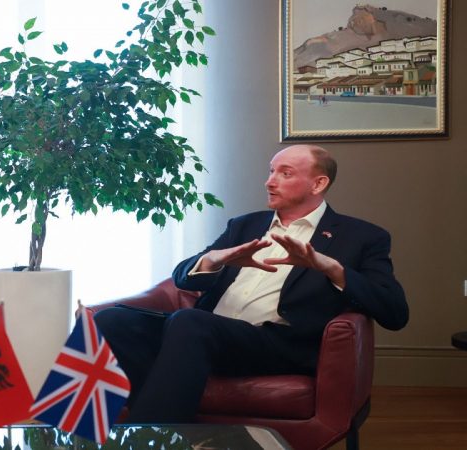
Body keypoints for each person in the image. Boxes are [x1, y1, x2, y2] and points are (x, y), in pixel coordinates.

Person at [95, 144, 408, 423]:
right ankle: (153, 426)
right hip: (201, 334)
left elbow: (395, 312)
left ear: (319, 183)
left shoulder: (361, 237)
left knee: (190, 322)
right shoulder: (245, 225)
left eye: (285, 173)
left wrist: (332, 269)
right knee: (111, 320)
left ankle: (154, 441)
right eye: (271, 171)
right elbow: (182, 277)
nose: (270, 181)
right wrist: (214, 260)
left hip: (273, 343)